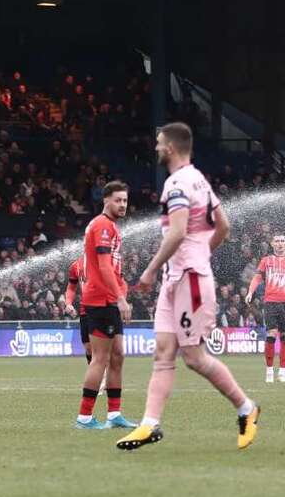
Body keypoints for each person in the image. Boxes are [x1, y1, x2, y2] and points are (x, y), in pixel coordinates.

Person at [117, 122, 259, 450]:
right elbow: (223, 226)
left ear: (170, 147)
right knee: (164, 353)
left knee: (194, 357)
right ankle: (149, 424)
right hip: (180, 277)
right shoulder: (198, 179)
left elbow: (178, 232)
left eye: (158, 143)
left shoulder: (177, 183)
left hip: (189, 279)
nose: (155, 147)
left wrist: (152, 269)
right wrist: (199, 254)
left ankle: (246, 408)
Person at [75, 181, 136, 430]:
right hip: (101, 300)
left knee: (118, 356)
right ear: (106, 200)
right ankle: (85, 417)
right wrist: (119, 298)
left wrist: (122, 292)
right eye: (117, 200)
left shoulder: (109, 226)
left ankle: (114, 414)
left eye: (124, 200)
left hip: (108, 298)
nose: (122, 205)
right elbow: (103, 266)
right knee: (100, 358)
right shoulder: (102, 225)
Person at [245, 233, 285, 383]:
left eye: (282, 241)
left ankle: (282, 371)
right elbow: (257, 278)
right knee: (271, 334)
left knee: (284, 337)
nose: (280, 243)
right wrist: (250, 292)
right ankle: (269, 370)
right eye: (277, 241)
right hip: (271, 302)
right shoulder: (266, 261)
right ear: (272, 244)